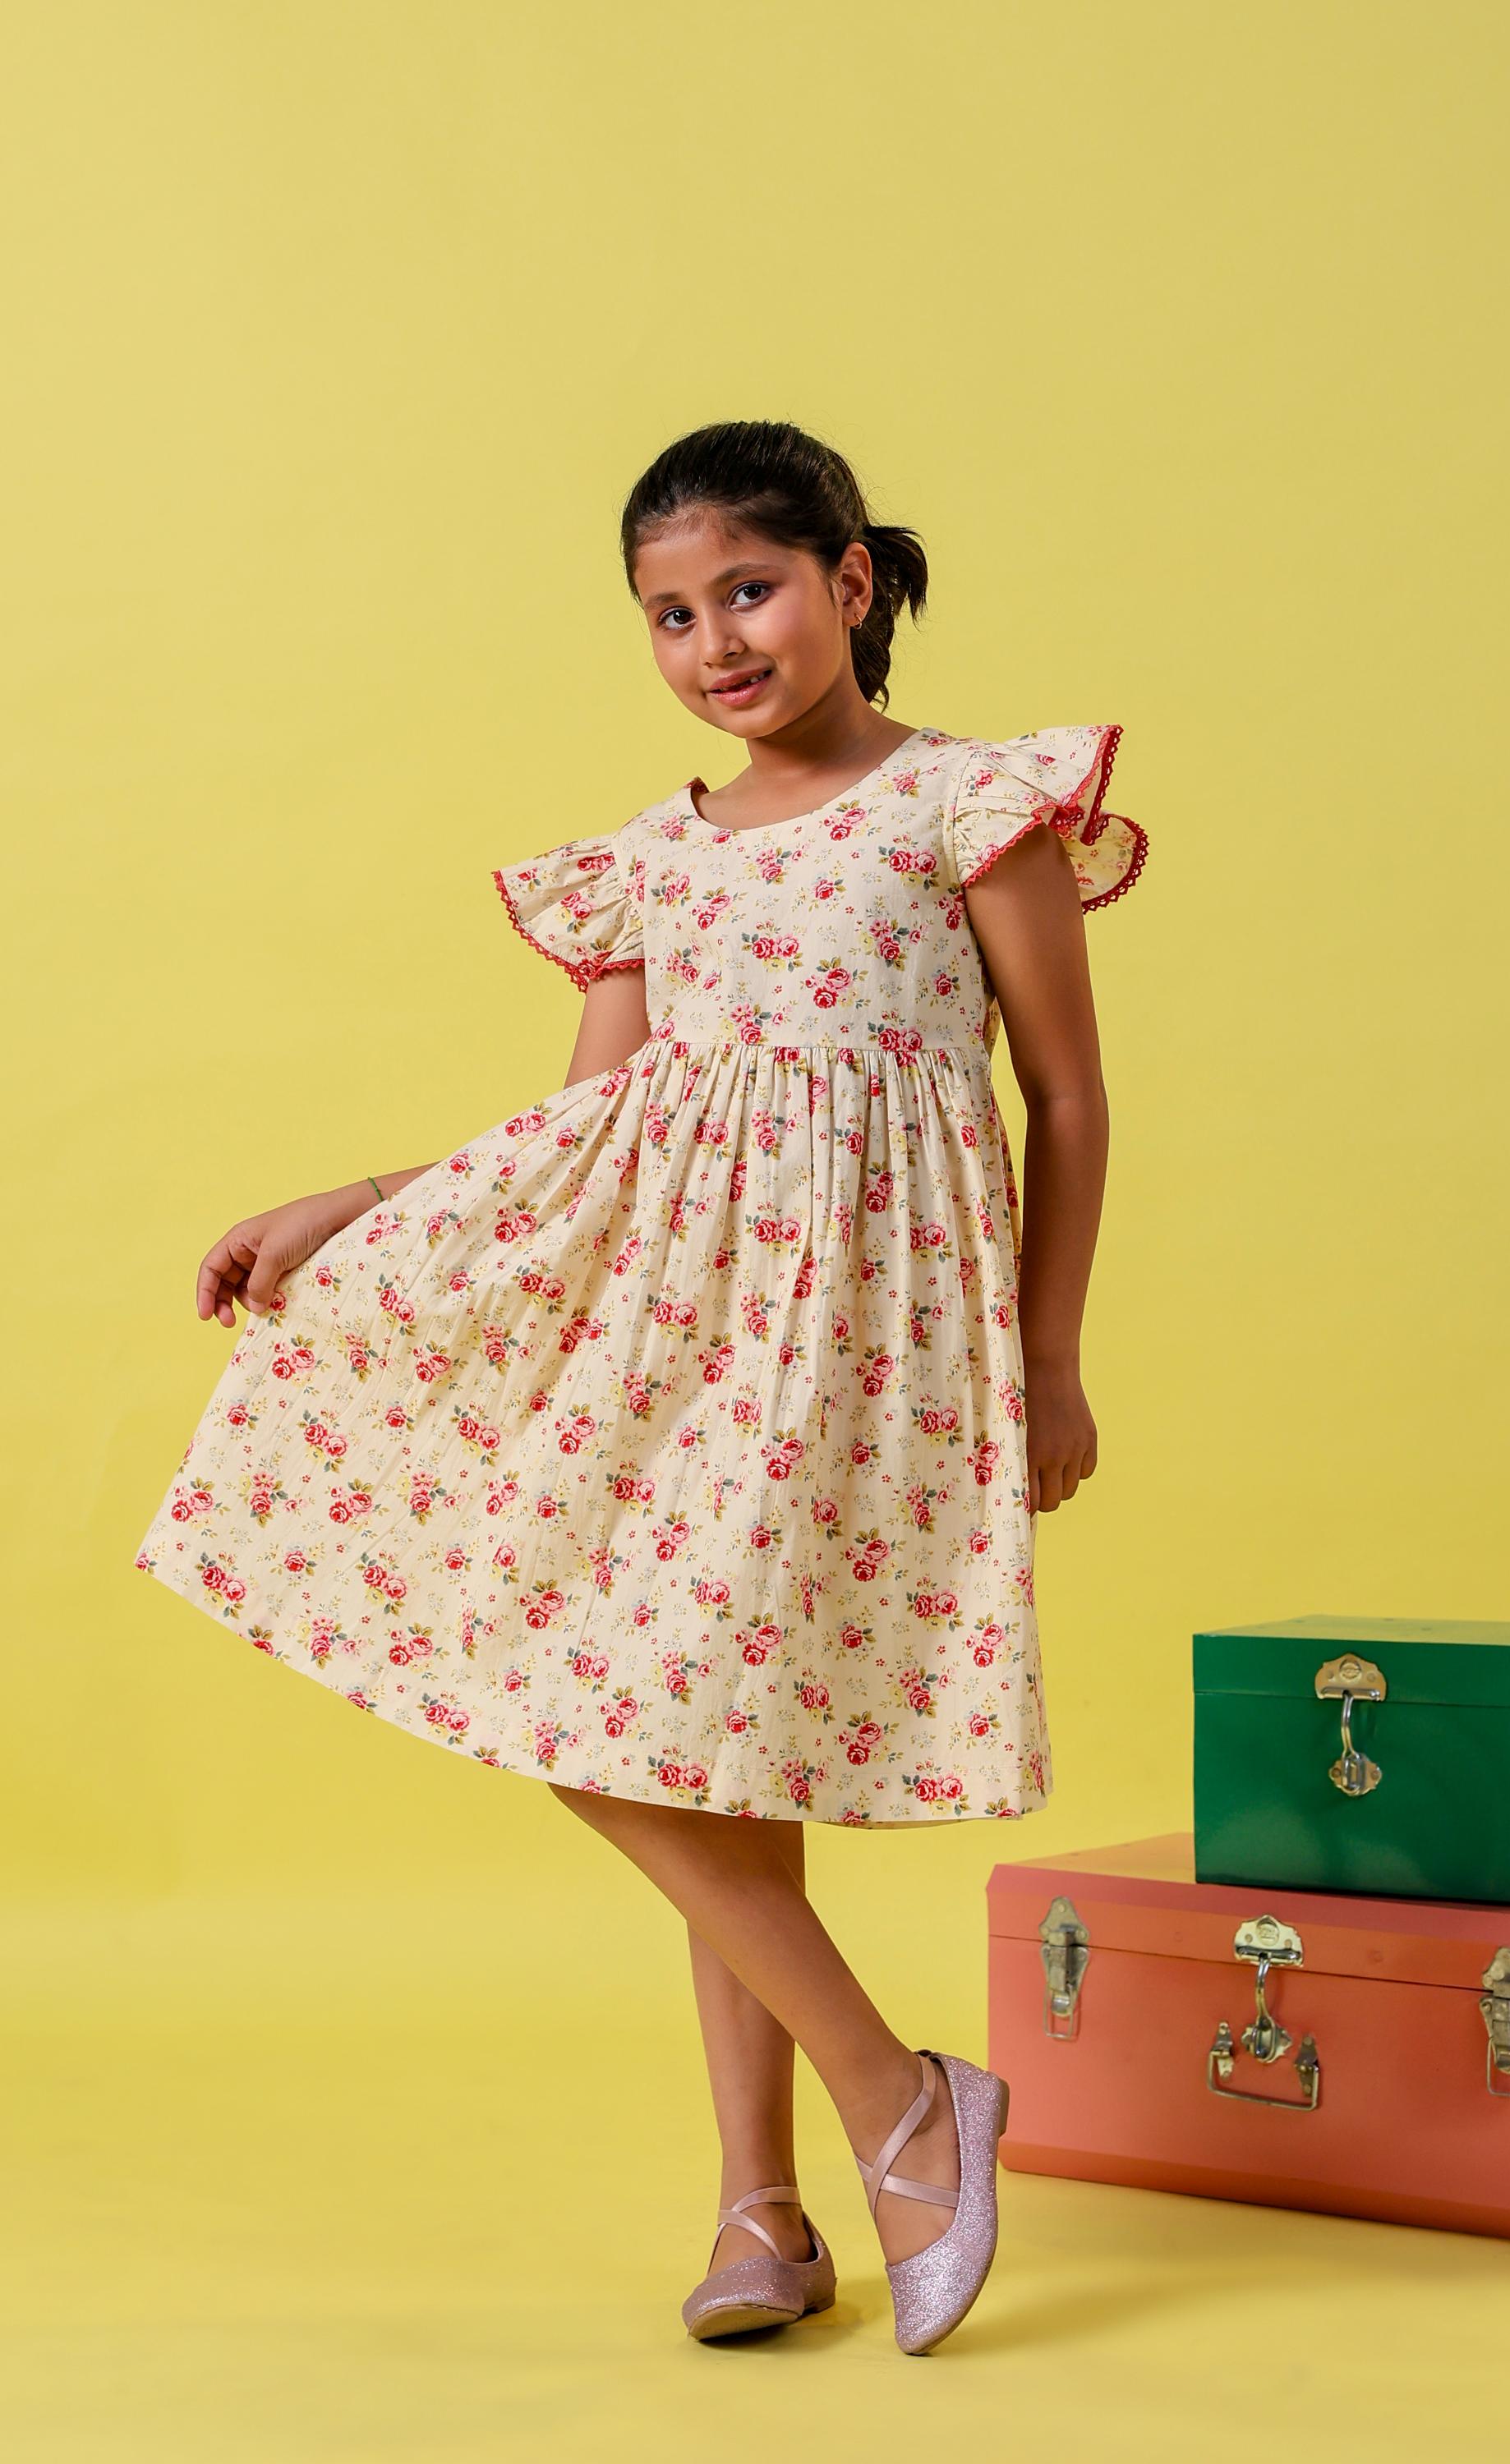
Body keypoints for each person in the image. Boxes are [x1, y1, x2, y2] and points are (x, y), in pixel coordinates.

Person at [133, 419, 1148, 2354]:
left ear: (852, 583)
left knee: (709, 1744)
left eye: (747, 592)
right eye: (668, 616)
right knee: (644, 1722)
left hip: (863, 1349)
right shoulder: (643, 868)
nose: (712, 644)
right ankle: (819, 2164)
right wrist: (353, 1206)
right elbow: (579, 1133)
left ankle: (850, 2148)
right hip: (660, 1337)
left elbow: (1070, 1098)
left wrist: (1049, 1351)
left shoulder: (967, 808)